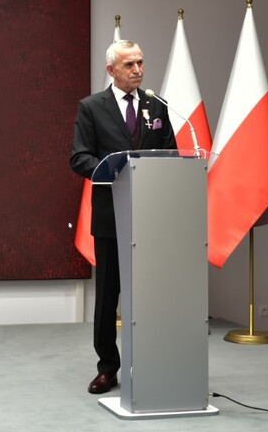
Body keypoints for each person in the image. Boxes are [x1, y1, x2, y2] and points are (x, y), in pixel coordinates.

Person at [70, 39, 177, 394]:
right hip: (111, 216)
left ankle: (150, 363)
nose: (138, 70)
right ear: (111, 70)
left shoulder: (156, 105)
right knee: (108, 297)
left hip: (151, 215)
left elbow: (170, 153)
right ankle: (108, 368)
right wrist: (113, 169)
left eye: (140, 63)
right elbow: (79, 157)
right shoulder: (91, 107)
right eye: (129, 65)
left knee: (150, 294)